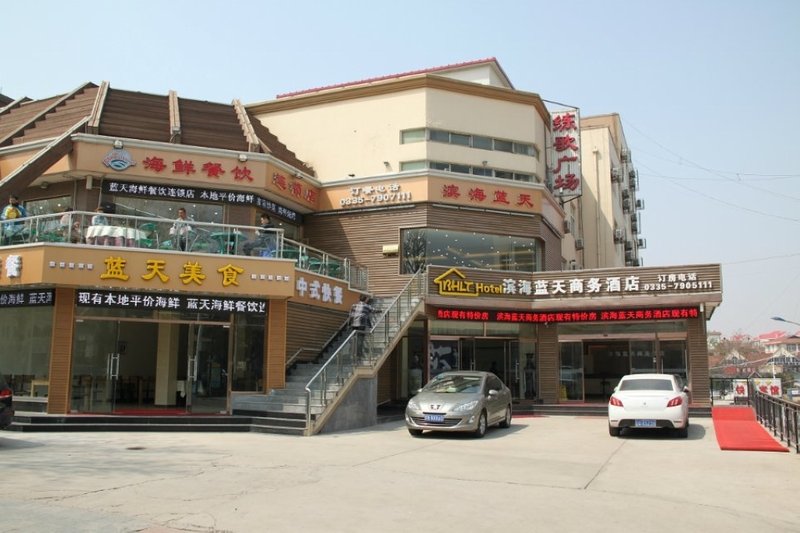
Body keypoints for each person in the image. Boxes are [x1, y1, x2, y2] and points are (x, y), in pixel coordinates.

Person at [348, 295, 374, 360]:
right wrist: (381, 311)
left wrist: (349, 324)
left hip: (354, 324)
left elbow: (350, 315)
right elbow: (373, 310)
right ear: (365, 300)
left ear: (359, 299)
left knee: (354, 339)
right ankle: (358, 355)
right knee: (360, 339)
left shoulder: (354, 305)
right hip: (361, 324)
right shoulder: (367, 306)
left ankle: (352, 353)